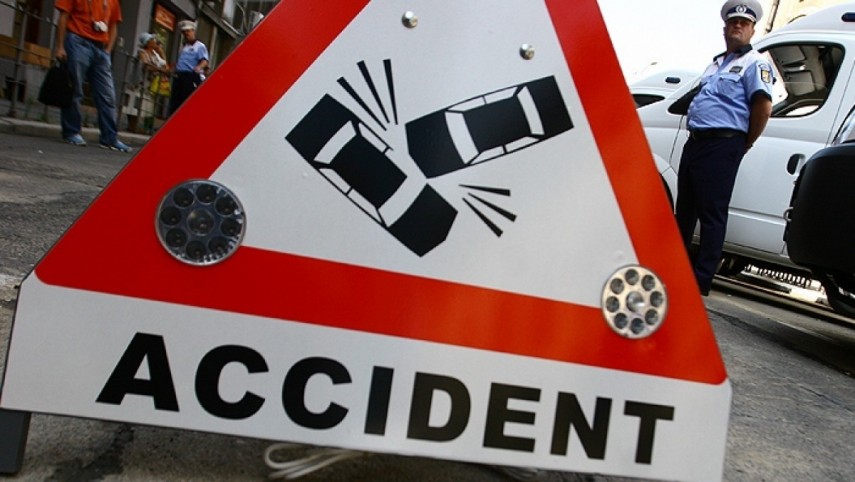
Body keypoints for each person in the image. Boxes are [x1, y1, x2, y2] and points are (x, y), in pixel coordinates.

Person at [674, 0, 774, 296]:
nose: (738, 26)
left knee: (712, 214)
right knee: (685, 211)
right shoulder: (716, 64)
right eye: (733, 22)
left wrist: (745, 142)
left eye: (744, 23)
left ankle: (700, 279)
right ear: (725, 28)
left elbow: (763, 108)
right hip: (696, 143)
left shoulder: (755, 63)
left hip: (723, 144)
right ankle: (675, 271)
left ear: (753, 29)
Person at [54, 0, 132, 152]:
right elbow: (63, 16)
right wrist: (60, 46)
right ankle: (72, 132)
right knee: (75, 90)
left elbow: (113, 25)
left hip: (100, 48)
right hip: (77, 41)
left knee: (107, 96)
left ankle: (109, 138)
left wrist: (108, 51)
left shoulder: (112, 1)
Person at [168, 20, 209, 116]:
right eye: (184, 32)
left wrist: (199, 67)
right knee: (175, 101)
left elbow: (204, 60)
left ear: (193, 31)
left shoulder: (199, 46)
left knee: (186, 100)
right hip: (179, 76)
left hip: (190, 76)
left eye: (188, 31)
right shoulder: (184, 46)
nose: (186, 34)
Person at [136, 33, 170, 133]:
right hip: (143, 81)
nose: (155, 41)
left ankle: (147, 127)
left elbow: (165, 66)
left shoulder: (156, 54)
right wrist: (159, 69)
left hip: (153, 83)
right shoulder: (142, 52)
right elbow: (146, 65)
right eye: (153, 39)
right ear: (148, 43)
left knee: (150, 106)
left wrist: (161, 52)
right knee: (139, 103)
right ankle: (133, 126)